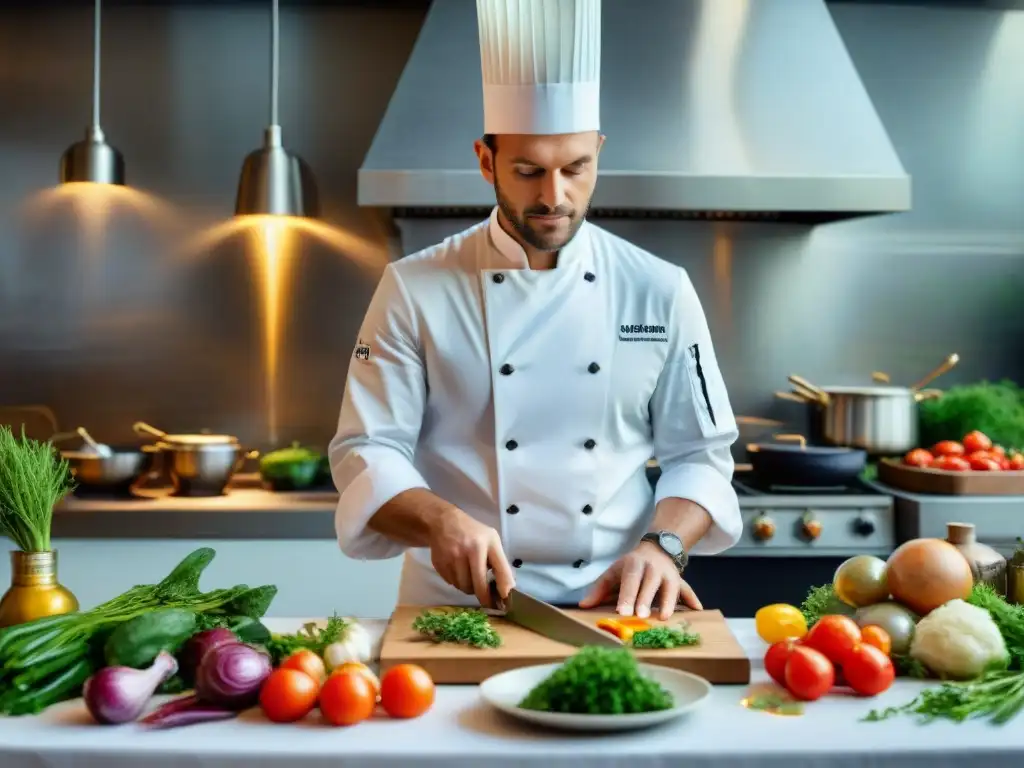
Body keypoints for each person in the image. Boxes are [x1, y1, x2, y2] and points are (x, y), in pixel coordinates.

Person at [329, 0, 741, 621]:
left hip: (616, 610)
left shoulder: (660, 289)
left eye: (576, 168)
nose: (555, 196)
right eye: (528, 171)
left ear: (599, 151)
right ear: (486, 160)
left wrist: (665, 545)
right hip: (455, 611)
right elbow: (366, 447)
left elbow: (702, 455)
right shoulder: (415, 288)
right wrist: (441, 520)